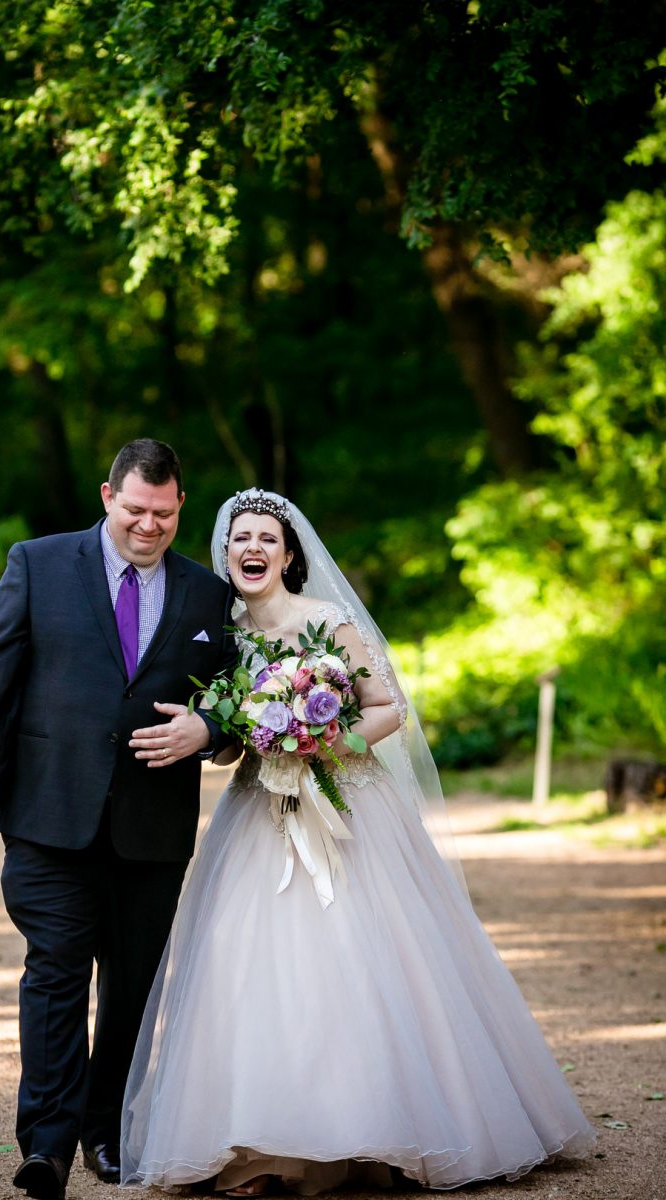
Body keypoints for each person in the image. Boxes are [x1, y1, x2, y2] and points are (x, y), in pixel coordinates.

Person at [120, 487, 595, 1195]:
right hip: (260, 810)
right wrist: (230, 738)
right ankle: (260, 1146)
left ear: (288, 555)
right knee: (247, 965)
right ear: (226, 552)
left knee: (365, 956)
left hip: (348, 807)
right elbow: (225, 743)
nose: (252, 548)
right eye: (239, 538)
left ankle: (387, 1128)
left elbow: (387, 708)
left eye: (266, 540)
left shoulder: (328, 622)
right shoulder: (220, 636)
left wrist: (317, 741)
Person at [0, 439, 236, 1200]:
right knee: (56, 974)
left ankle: (106, 1133)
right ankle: (46, 1147)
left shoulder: (209, 595)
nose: (148, 527)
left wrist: (208, 730)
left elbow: (240, 703)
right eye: (135, 510)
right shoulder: (36, 565)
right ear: (107, 497)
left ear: (181, 506)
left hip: (154, 827)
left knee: (133, 987)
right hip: (48, 815)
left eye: (164, 515)